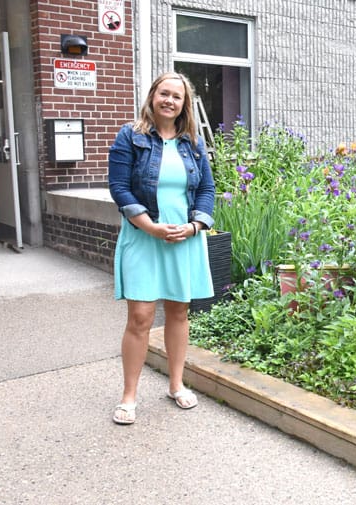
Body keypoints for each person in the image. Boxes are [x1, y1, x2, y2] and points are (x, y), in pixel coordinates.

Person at [107, 72, 216, 425]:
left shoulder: (192, 143)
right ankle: (129, 396)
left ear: (184, 104)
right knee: (139, 316)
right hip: (144, 233)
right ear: (153, 95)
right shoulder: (131, 136)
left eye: (177, 97)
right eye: (164, 93)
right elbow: (119, 188)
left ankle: (176, 384)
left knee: (178, 312)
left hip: (183, 237)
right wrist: (150, 226)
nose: (169, 100)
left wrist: (196, 224)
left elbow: (207, 191)